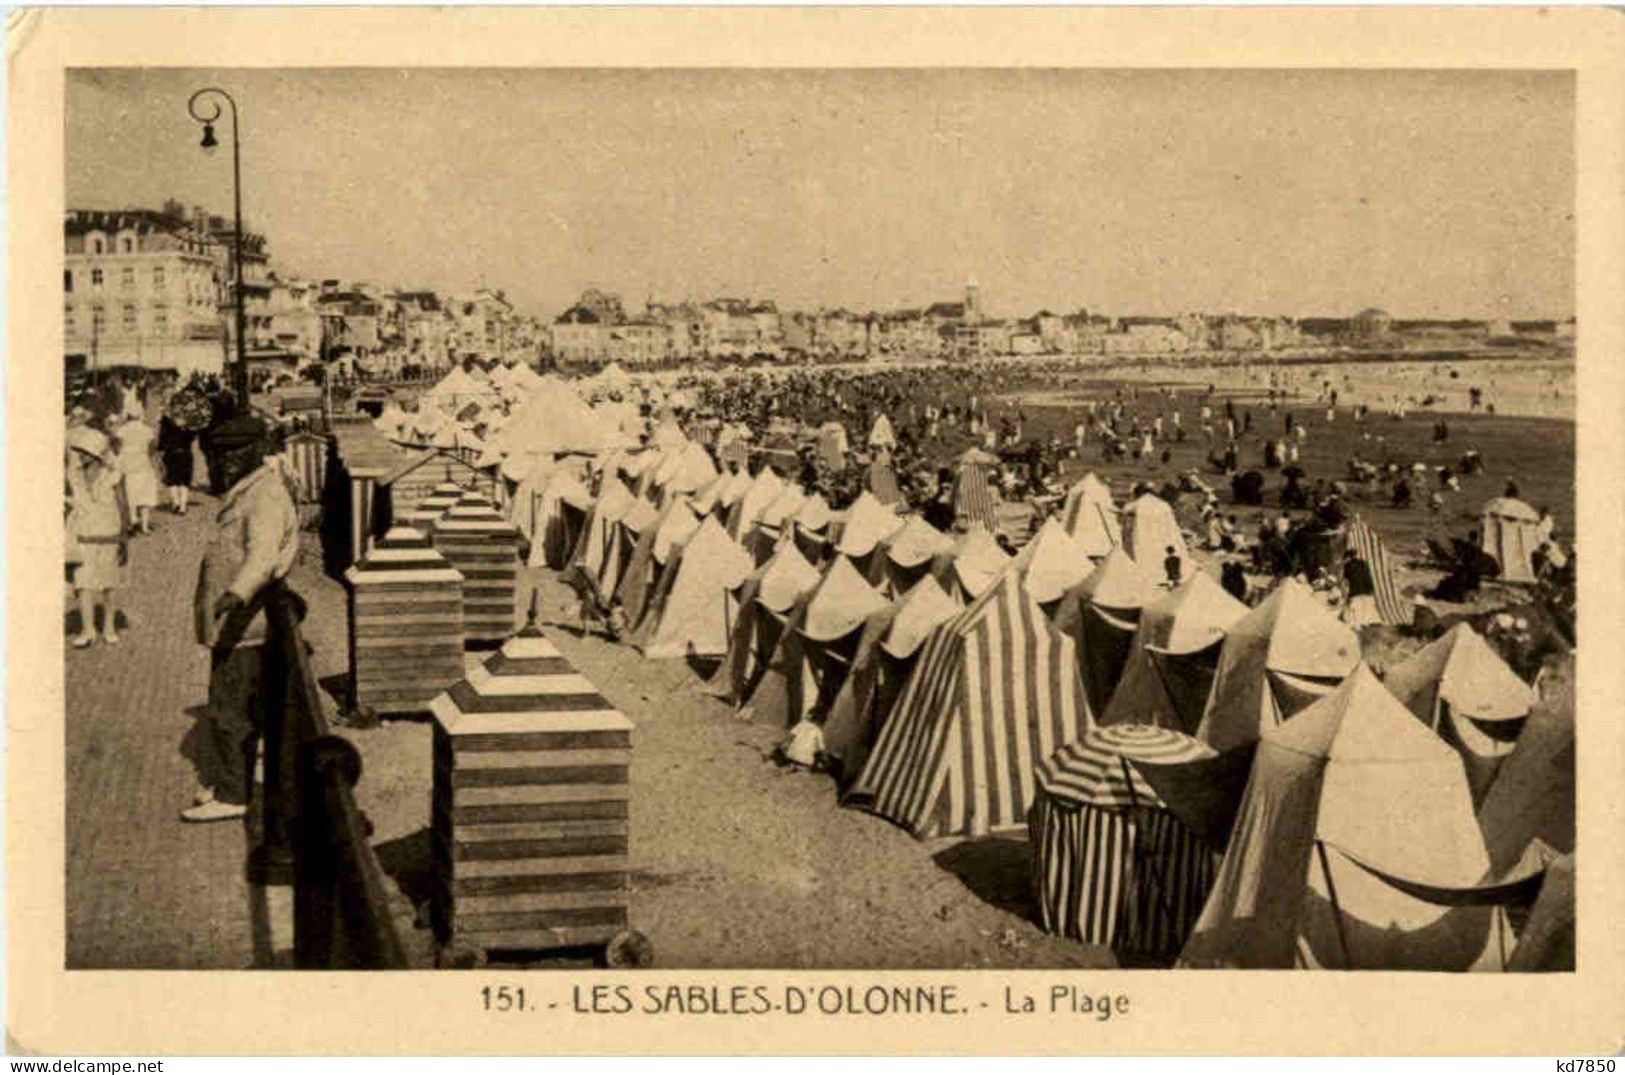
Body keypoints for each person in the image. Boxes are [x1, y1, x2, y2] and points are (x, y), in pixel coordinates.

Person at [181, 416, 301, 824]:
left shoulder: (264, 496)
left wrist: (235, 595)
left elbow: (262, 556)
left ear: (255, 449)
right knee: (236, 705)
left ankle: (234, 794)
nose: (226, 461)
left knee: (230, 709)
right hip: (238, 623)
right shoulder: (251, 488)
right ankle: (233, 779)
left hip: (245, 622)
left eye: (235, 451)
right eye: (220, 452)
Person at [66, 427, 129, 647]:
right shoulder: (73, 476)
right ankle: (87, 630)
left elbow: (123, 505)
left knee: (109, 584)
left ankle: (109, 627)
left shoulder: (114, 475)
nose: (81, 456)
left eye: (85, 452)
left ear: (96, 454)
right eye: (80, 452)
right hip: (82, 536)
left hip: (109, 536)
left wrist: (124, 537)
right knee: (82, 584)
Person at [113, 413, 160, 534]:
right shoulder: (147, 430)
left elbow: (116, 447)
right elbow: (152, 449)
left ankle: (133, 520)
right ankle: (144, 526)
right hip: (143, 462)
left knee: (130, 492)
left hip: (126, 462)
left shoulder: (122, 430)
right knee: (145, 493)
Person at [1341, 547, 1379, 628]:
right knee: (1364, 606)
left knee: (1356, 607)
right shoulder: (1364, 563)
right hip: (1364, 588)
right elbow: (1368, 576)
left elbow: (1346, 579)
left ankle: (1358, 623)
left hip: (1355, 589)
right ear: (1357, 554)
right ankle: (1364, 622)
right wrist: (1370, 587)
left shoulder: (1347, 565)